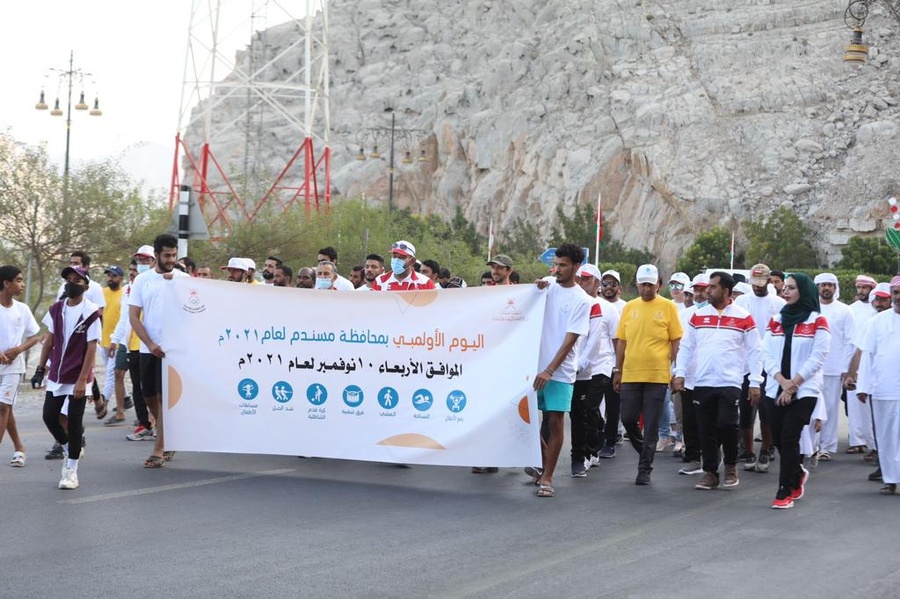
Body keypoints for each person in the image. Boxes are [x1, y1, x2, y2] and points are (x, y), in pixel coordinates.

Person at [674, 271, 762, 490]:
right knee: (706, 429)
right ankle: (710, 472)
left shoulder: (743, 317)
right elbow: (686, 347)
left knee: (727, 424)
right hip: (702, 382)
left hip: (730, 381)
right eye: (707, 287)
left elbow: (755, 351)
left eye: (712, 287)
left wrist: (755, 382)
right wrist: (680, 372)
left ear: (726, 290)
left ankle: (731, 466)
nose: (708, 291)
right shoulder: (697, 317)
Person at [761, 273, 830, 509]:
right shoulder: (775, 320)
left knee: (790, 435)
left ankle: (784, 490)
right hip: (776, 387)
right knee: (779, 438)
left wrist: (794, 384)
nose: (785, 292)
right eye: (785, 288)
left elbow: (818, 357)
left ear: (804, 291)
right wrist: (782, 381)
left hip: (805, 389)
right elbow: (766, 354)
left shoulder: (817, 321)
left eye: (791, 288)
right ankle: (797, 473)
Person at [529, 244, 592, 497]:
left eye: (563, 265)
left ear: (576, 267)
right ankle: (542, 460)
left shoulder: (582, 300)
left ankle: (548, 476)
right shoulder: (547, 284)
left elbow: (570, 340)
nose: (558, 269)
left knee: (554, 421)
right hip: (531, 367)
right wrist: (534, 289)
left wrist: (549, 370)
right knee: (525, 419)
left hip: (560, 372)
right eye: (556, 264)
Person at [614, 264, 683, 485]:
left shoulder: (668, 307)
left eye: (650, 285)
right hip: (631, 373)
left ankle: (644, 468)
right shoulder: (629, 308)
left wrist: (675, 371)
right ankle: (645, 449)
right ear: (636, 285)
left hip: (657, 374)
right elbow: (622, 341)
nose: (646, 289)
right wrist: (618, 369)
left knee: (652, 422)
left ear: (658, 285)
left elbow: (675, 341)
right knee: (627, 418)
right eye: (642, 284)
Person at [34, 265, 101, 489]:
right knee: (49, 416)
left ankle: (71, 470)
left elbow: (92, 348)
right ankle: (68, 447)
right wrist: (40, 368)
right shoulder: (56, 309)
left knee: (74, 421)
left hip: (79, 375)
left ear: (86, 286)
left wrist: (83, 380)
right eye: (69, 280)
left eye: (77, 280)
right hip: (57, 373)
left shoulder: (91, 312)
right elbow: (49, 341)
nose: (72, 284)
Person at [129, 234, 189, 468]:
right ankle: (169, 434)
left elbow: (194, 312)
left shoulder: (184, 279)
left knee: (165, 400)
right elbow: (134, 317)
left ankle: (159, 447)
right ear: (156, 255)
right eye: (167, 255)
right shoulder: (143, 281)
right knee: (149, 396)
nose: (171, 259)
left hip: (172, 352)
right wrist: (150, 344)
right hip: (147, 349)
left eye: (174, 255)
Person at [569, 263, 619, 478]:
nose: (582, 282)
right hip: (574, 367)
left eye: (587, 279)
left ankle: (588, 453)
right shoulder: (574, 303)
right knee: (583, 412)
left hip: (600, 366)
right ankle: (594, 438)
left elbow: (616, 340)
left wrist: (618, 368)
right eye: (579, 278)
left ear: (597, 283)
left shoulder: (607, 309)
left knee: (588, 408)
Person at [735, 263, 785, 472]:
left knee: (767, 411)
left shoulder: (779, 303)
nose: (757, 287)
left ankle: (765, 448)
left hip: (769, 365)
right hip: (744, 364)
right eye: (754, 283)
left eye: (761, 283)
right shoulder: (741, 301)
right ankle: (749, 452)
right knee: (746, 412)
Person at [856, 276, 900, 495]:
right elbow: (868, 356)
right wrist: (862, 386)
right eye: (896, 293)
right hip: (883, 388)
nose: (899, 297)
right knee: (885, 436)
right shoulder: (877, 322)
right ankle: (890, 479)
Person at [0, 265, 42, 468]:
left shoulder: (22, 309)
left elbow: (35, 336)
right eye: (18, 280)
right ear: (6, 283)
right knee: (6, 410)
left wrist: (18, 350)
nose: (22, 284)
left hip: (13, 368)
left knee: (2, 407)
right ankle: (19, 448)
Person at [811, 273, 855, 462]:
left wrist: (846, 368)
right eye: (822, 285)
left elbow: (850, 341)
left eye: (830, 285)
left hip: (834, 367)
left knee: (829, 408)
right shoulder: (810, 310)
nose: (826, 288)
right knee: (810, 407)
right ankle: (810, 446)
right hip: (811, 368)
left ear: (835, 288)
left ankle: (826, 446)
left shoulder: (844, 311)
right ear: (817, 288)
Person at [675, 273, 711, 476]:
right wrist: (677, 371)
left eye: (703, 289)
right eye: (696, 289)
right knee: (689, 419)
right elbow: (680, 346)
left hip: (710, 377)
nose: (699, 294)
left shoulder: (718, 314)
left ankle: (711, 458)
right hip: (688, 376)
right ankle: (693, 458)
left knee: (709, 420)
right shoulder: (684, 315)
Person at [846, 274, 878, 454]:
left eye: (865, 288)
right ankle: (856, 441)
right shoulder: (851, 309)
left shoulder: (878, 311)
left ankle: (874, 445)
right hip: (855, 360)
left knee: (872, 408)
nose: (861, 291)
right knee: (854, 404)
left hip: (872, 361)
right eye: (859, 287)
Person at [100, 266, 129, 425]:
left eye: (114, 276)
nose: (110, 278)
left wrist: (116, 339)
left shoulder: (124, 294)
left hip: (117, 340)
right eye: (109, 275)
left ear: (120, 278)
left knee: (112, 373)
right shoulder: (103, 293)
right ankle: (125, 399)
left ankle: (103, 403)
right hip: (104, 340)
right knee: (113, 373)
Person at [370, 241, 436, 291]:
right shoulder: (380, 281)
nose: (397, 260)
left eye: (402, 257)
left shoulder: (425, 282)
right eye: (394, 256)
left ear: (412, 261)